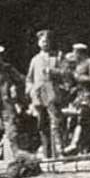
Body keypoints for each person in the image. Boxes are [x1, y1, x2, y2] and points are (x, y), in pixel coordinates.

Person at [26, 28, 66, 158]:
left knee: (55, 123)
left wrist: (53, 71)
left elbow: (65, 73)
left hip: (52, 94)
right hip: (38, 96)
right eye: (43, 41)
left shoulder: (56, 58)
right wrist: (31, 90)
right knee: (42, 124)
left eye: (47, 41)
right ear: (39, 43)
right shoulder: (35, 60)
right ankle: (46, 153)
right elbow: (29, 79)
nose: (45, 43)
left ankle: (59, 152)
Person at [63, 42, 90, 155]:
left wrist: (80, 77)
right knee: (71, 120)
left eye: (75, 52)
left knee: (82, 118)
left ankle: (75, 143)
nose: (74, 55)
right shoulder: (75, 64)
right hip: (77, 95)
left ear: (80, 53)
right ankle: (70, 144)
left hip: (87, 95)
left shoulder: (89, 62)